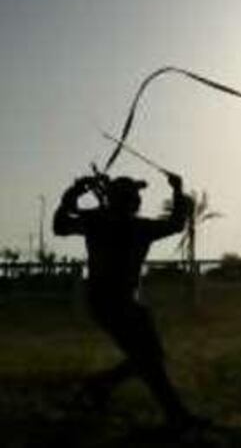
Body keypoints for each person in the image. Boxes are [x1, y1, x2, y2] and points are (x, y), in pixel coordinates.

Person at [53, 171, 203, 429]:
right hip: (116, 303)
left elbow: (60, 225)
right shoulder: (138, 227)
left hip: (108, 302)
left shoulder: (97, 221)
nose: (138, 199)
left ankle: (99, 386)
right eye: (134, 194)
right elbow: (177, 223)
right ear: (126, 200)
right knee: (149, 361)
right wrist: (177, 190)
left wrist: (74, 193)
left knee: (149, 358)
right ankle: (176, 415)